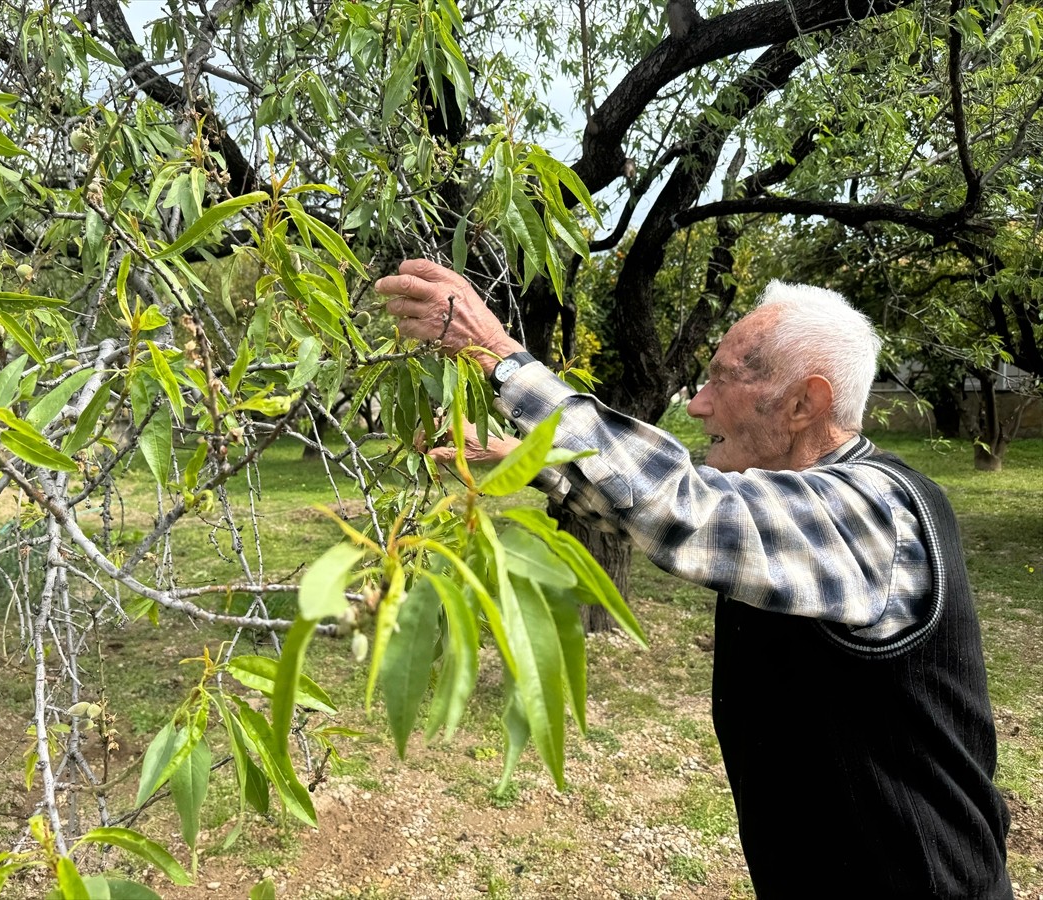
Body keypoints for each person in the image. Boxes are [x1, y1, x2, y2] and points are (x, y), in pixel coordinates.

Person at [375, 259, 1012, 900]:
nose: (697, 403)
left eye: (721, 379)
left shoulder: (875, 510)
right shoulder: (795, 508)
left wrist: (497, 354)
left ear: (803, 404)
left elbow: (686, 507)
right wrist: (532, 462)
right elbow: (669, 519)